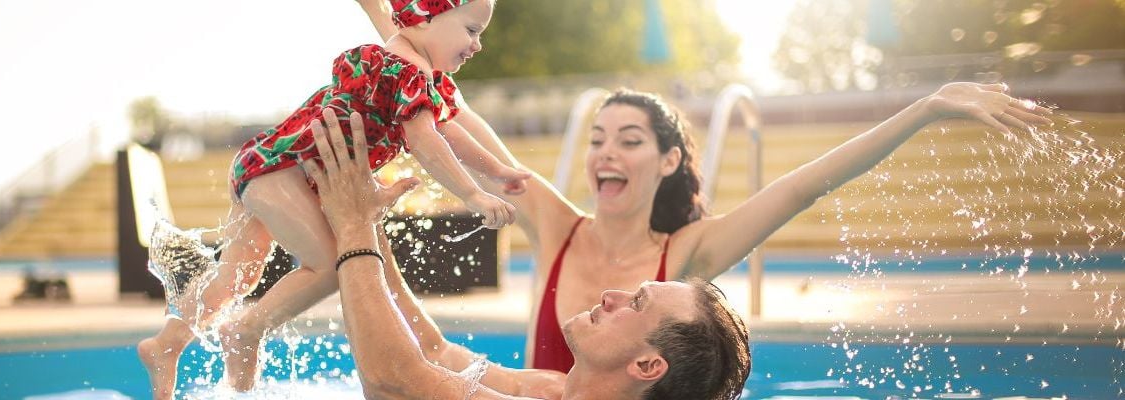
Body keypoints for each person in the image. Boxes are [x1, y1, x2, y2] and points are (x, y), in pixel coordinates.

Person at [353, 0, 1057, 372]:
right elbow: (448, 99)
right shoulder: (556, 227)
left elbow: (805, 187)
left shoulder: (683, 261)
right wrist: (389, 23)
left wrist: (925, 109)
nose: (606, 154)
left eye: (629, 141)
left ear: (666, 162)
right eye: (598, 139)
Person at [138, 1, 530, 398]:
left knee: (239, 276)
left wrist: (497, 171)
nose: (477, 45)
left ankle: (167, 344)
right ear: (426, 17)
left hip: (266, 165)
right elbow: (427, 141)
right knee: (329, 265)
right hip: (281, 172)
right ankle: (245, 331)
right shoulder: (405, 71)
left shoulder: (414, 74)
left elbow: (446, 131)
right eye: (472, 30)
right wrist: (473, 194)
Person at [305, 110, 751, 399]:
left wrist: (353, 228)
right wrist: (368, 217)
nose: (613, 295)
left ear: (648, 365)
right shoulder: (552, 389)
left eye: (637, 303)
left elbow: (392, 381)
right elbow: (432, 351)